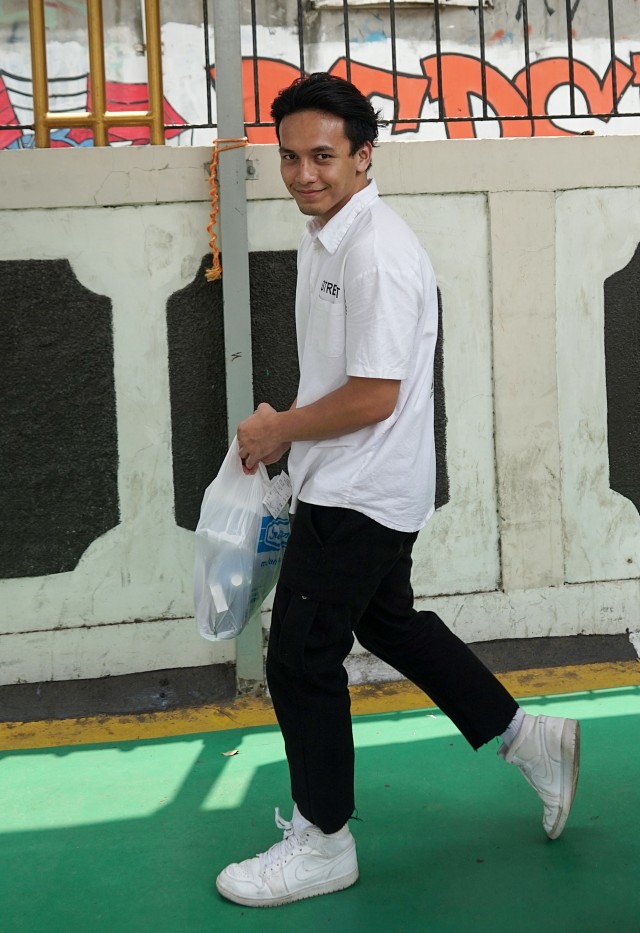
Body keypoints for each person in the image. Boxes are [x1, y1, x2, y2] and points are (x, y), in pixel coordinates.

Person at [216, 72, 580, 908]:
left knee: (300, 655)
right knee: (392, 623)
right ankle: (528, 737)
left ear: (364, 156)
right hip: (359, 480)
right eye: (290, 157)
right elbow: (351, 379)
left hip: (360, 491)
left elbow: (376, 392)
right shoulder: (330, 236)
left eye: (323, 156)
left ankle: (323, 840)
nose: (305, 173)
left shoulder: (375, 249)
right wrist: (291, 422)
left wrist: (278, 430)